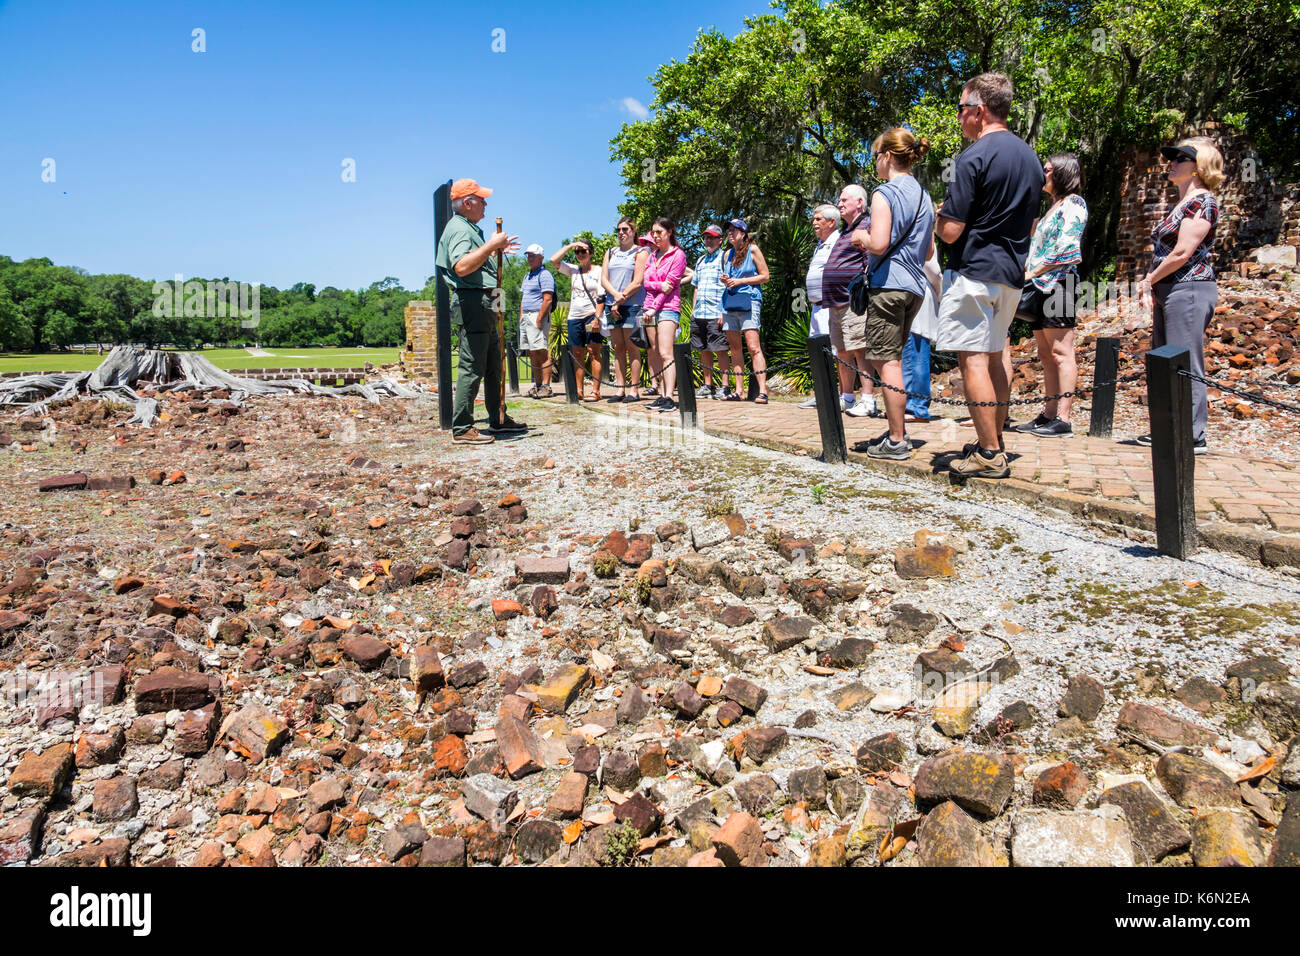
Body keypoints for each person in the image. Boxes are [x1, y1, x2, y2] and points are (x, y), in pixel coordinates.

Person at [935, 72, 1045, 478]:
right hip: (1012, 273)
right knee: (998, 355)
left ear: (979, 111)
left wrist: (934, 217)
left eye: (961, 109)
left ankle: (987, 452)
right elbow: (1031, 224)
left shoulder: (973, 157)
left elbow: (951, 229)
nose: (959, 118)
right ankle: (994, 439)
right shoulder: (1031, 158)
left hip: (975, 270)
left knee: (973, 360)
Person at [853, 128, 936, 460]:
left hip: (889, 285)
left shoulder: (883, 193)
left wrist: (861, 237)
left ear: (887, 156)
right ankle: (898, 428)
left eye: (875, 156)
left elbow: (880, 242)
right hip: (915, 287)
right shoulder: (924, 196)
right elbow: (929, 251)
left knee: (886, 361)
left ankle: (897, 439)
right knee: (891, 358)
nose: (875, 163)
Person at [1136, 137, 1223, 454]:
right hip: (1169, 289)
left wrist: (1148, 280)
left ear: (1199, 167)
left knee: (1184, 361)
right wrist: (1154, 284)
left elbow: (1183, 251)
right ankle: (1166, 429)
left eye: (1180, 158)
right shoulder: (1183, 203)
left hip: (1189, 288)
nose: (1172, 162)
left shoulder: (1204, 201)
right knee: (1163, 360)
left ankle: (1191, 433)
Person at [435, 177, 526, 444]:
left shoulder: (469, 228)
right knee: (473, 365)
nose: (486, 203)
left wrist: (496, 250)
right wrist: (491, 246)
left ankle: (498, 417)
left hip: (488, 299)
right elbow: (461, 267)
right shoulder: (460, 229)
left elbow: (477, 263)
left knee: (494, 364)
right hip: (473, 302)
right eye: (481, 199)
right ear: (467, 202)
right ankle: (462, 428)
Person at [1011, 153, 1088, 437]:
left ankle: (1064, 419)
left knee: (1061, 352)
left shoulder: (1074, 204)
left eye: (1047, 169)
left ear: (1062, 173)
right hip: (1042, 286)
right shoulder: (1052, 207)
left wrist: (1031, 273)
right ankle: (1049, 413)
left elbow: (1067, 249)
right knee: (1045, 353)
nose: (1041, 173)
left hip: (1059, 285)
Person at [822, 185, 880, 417]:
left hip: (853, 300)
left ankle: (867, 399)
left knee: (860, 348)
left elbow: (869, 260)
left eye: (844, 199)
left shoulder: (866, 225)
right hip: (835, 302)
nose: (840, 203)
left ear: (859, 202)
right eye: (839, 199)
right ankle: (847, 397)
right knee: (842, 350)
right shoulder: (846, 230)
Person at [718, 220, 772, 403]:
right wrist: (726, 279)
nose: (730, 233)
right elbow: (730, 278)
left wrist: (740, 281)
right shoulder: (727, 254)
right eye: (728, 231)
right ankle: (739, 391)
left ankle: (762, 391)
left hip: (749, 301)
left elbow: (766, 276)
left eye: (734, 230)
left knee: (753, 347)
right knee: (734, 349)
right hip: (730, 303)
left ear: (744, 233)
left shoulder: (753, 250)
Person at [799, 204, 842, 408]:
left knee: (836, 352)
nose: (814, 222)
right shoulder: (820, 244)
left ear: (831, 222)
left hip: (830, 305)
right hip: (816, 306)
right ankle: (823, 395)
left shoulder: (838, 242)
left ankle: (843, 395)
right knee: (818, 351)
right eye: (814, 219)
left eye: (818, 219)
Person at [600, 217, 648, 402]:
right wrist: (614, 297)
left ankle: (633, 390)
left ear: (634, 231)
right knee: (618, 347)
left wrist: (620, 299)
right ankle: (620, 389)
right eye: (619, 229)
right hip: (612, 305)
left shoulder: (640, 252)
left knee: (632, 347)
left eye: (626, 229)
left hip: (632, 305)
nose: (622, 232)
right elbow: (604, 278)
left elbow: (638, 281)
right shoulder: (610, 252)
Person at [642, 218, 687, 411]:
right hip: (649, 308)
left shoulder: (678, 255)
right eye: (653, 232)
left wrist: (654, 307)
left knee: (666, 352)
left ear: (669, 232)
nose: (656, 236)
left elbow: (671, 286)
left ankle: (669, 396)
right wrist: (658, 285)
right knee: (656, 353)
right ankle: (661, 394)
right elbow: (646, 282)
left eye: (659, 232)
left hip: (668, 307)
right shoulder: (652, 255)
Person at [551, 240, 605, 401]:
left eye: (584, 251)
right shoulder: (574, 270)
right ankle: (579, 389)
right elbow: (554, 261)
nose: (581, 254)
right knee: (577, 353)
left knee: (594, 352)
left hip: (591, 314)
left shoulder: (599, 271)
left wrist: (597, 317)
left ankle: (596, 391)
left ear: (591, 253)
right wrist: (570, 246)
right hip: (574, 316)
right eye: (578, 252)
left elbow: (601, 296)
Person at [689, 224, 733, 399]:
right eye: (706, 237)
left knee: (720, 349)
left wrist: (723, 311)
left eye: (712, 237)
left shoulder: (724, 258)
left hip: (716, 311)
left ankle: (725, 385)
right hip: (700, 312)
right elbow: (696, 287)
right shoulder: (700, 260)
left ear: (720, 240)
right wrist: (693, 311)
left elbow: (728, 286)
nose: (708, 240)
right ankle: (708, 385)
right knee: (703, 349)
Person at [902, 245, 943, 422]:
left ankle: (916, 406)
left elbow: (933, 270)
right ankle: (907, 404)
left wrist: (940, 295)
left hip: (915, 292)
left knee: (915, 352)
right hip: (912, 291)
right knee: (909, 352)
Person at [518, 243, 556, 398]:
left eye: (533, 255)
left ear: (541, 257)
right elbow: (524, 297)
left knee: (542, 351)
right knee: (532, 352)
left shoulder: (545, 274)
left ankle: (546, 386)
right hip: (527, 316)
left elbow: (548, 299)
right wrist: (521, 315)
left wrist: (540, 318)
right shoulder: (527, 275)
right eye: (528, 255)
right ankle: (538, 385)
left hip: (537, 316)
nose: (530, 258)